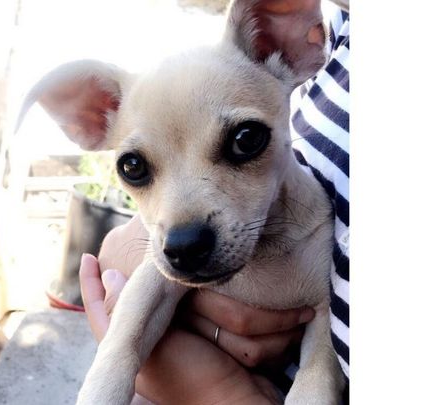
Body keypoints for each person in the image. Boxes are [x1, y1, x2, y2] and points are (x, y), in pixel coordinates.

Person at [79, 1, 350, 403]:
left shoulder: (316, 228)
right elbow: (143, 285)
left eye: (244, 142)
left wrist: (228, 393)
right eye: (137, 168)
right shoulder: (343, 38)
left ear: (287, 42)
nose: (184, 234)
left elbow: (326, 332)